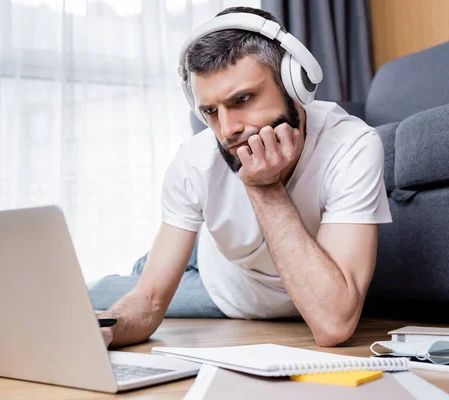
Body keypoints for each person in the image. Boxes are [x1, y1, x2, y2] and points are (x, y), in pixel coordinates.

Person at [89, 6, 391, 348]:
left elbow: (333, 323)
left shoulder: (352, 146)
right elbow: (151, 300)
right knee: (99, 297)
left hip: (227, 283)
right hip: (216, 260)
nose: (228, 130)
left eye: (243, 99)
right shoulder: (194, 160)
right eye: (210, 111)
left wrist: (265, 188)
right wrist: (105, 331)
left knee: (99, 290)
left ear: (294, 83)